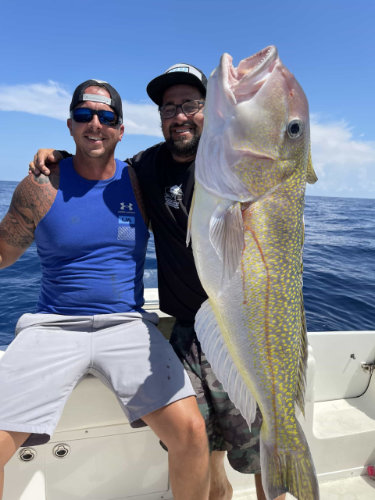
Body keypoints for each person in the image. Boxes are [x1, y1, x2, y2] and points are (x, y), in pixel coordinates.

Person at [30, 67, 286, 500]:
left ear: (213, 112)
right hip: (185, 332)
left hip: (239, 331)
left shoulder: (235, 163)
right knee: (203, 448)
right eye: (170, 108)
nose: (180, 116)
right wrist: (58, 154)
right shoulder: (145, 168)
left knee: (264, 452)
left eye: (191, 104)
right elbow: (100, 161)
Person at [0, 79, 210, 500]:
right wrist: (49, 159)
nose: (94, 124)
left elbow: (194, 160)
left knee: (191, 432)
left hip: (127, 325)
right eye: (84, 115)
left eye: (106, 116)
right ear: (70, 124)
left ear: (120, 128)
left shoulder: (139, 182)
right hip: (52, 326)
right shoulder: (41, 186)